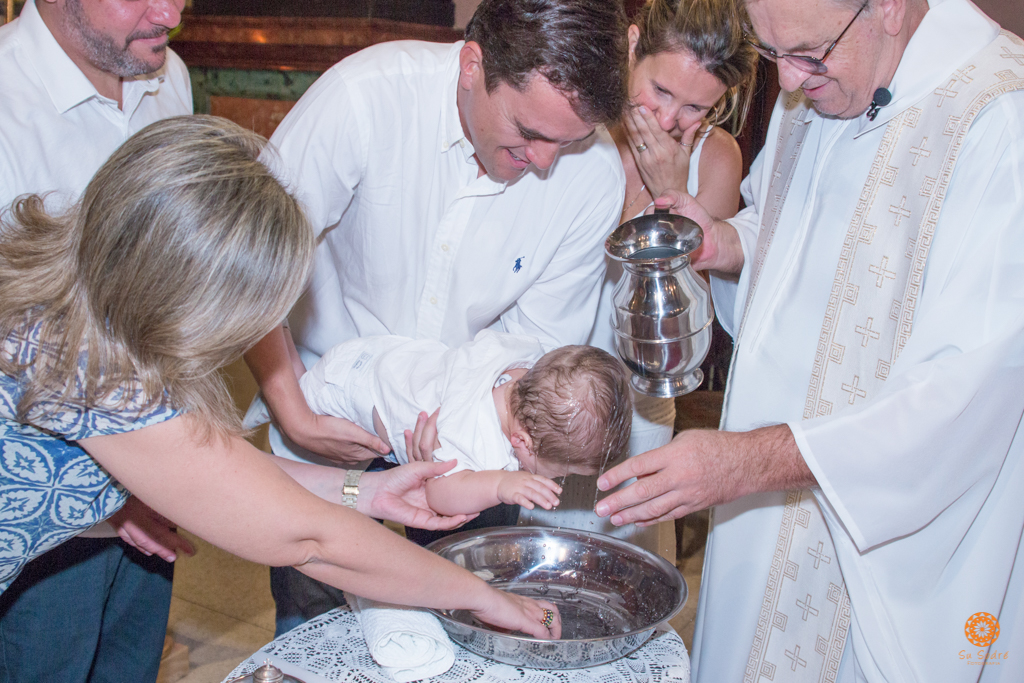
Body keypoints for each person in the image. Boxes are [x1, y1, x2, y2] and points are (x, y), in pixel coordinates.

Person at [0, 117, 563, 683]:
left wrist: (363, 489)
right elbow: (310, 538)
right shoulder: (95, 375)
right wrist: (487, 598)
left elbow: (221, 467)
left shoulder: (76, 309)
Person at [595, 0, 1024, 680]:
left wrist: (748, 462)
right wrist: (727, 242)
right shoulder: (825, 82)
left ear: (887, 7)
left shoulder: (998, 122)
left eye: (805, 55)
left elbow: (970, 394)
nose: (789, 84)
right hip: (761, 520)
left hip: (882, 552)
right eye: (771, 55)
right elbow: (795, 236)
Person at [244, 0, 629, 634]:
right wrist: (291, 406)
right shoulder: (365, 99)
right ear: (473, 65)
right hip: (330, 409)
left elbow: (539, 342)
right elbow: (249, 258)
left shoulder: (592, 176)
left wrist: (464, 412)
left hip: (478, 447)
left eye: (570, 140)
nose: (546, 162)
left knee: (466, 625)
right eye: (528, 133)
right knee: (316, 622)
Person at [519, 0, 757, 556]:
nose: (670, 119)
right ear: (631, 47)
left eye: (697, 106)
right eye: (661, 91)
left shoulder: (715, 157)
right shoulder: (575, 123)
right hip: (545, 381)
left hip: (639, 398)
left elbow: (687, 318)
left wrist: (673, 194)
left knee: (626, 572)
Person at [0, 0, 193, 680]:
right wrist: (121, 483)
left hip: (156, 460)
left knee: (128, 665)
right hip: (43, 494)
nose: (169, 13)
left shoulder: (166, 74)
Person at [272, 331, 632, 516]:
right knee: (308, 500)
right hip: (338, 399)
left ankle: (284, 349)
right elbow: (439, 495)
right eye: (559, 473)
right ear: (521, 441)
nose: (557, 481)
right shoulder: (474, 441)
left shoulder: (516, 363)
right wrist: (500, 483)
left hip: (363, 354)